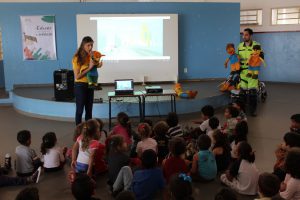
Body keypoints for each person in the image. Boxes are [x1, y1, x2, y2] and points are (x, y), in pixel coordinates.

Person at [73, 36, 102, 125]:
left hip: (90, 85)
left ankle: (89, 131)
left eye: (91, 45)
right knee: (80, 110)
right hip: (80, 85)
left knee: (89, 110)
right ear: (83, 45)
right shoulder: (77, 58)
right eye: (88, 45)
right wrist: (89, 68)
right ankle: (78, 131)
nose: (90, 47)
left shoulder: (91, 55)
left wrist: (98, 65)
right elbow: (77, 76)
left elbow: (93, 67)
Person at [237, 28, 264, 116]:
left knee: (252, 92)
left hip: (252, 72)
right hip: (242, 72)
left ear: (250, 35)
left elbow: (261, 56)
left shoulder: (256, 45)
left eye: (246, 35)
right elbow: (237, 57)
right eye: (243, 34)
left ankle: (253, 110)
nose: (244, 36)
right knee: (242, 93)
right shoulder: (240, 46)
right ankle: (243, 110)